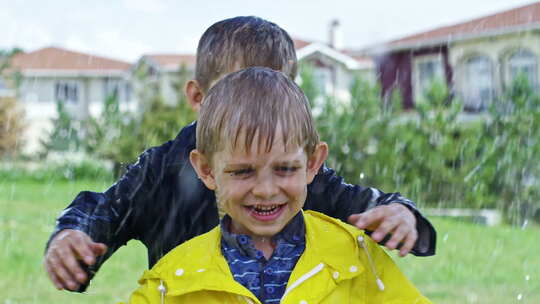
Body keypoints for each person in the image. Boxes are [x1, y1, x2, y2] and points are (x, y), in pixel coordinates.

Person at [44, 16, 436, 292]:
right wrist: (73, 235)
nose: (253, 107)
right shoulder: (163, 169)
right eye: (233, 92)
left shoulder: (292, 175)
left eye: (272, 90)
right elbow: (104, 210)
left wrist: (402, 216)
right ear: (198, 98)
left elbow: (368, 204)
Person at [125, 67, 431, 304]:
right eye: (243, 172)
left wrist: (403, 212)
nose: (266, 190)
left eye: (285, 169)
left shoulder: (357, 257)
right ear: (206, 170)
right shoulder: (169, 283)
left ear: (313, 163)